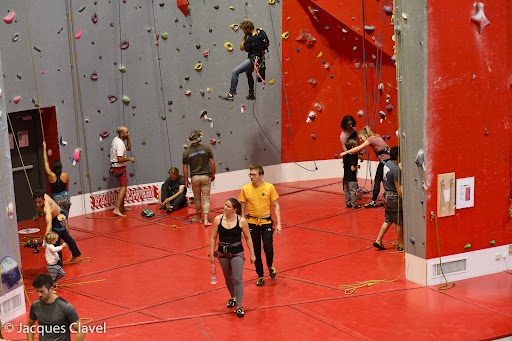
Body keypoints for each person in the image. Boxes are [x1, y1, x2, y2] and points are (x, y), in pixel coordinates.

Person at [209, 198, 256, 318]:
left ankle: (239, 306)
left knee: (237, 278)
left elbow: (248, 238)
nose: (225, 208)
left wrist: (252, 254)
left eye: (228, 206)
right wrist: (211, 252)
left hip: (237, 252)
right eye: (225, 205)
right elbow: (213, 237)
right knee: (227, 277)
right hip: (222, 252)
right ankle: (233, 297)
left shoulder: (241, 221)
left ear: (235, 210)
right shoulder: (217, 220)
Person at [239, 164, 281, 286]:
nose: (251, 177)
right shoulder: (245, 189)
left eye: (254, 175)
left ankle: (270, 265)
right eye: (250, 174)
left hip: (266, 222)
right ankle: (260, 275)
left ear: (261, 176)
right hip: (252, 223)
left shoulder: (269, 187)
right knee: (255, 251)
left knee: (268, 248)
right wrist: (242, 225)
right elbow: (242, 207)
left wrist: (279, 223)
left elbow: (276, 205)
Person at [340, 126, 390, 208]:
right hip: (388, 159)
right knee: (384, 180)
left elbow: (359, 148)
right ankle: (387, 198)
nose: (360, 140)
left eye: (361, 138)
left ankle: (374, 200)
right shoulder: (376, 137)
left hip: (385, 160)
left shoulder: (370, 139)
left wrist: (346, 152)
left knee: (377, 180)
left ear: (366, 135)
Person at [219, 20, 269, 101]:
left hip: (253, 59)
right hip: (260, 58)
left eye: (243, 30)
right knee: (248, 73)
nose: (243, 32)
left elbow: (241, 47)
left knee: (235, 72)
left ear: (247, 29)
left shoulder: (251, 38)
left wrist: (245, 37)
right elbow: (267, 44)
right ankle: (251, 93)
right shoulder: (261, 31)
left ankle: (231, 94)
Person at [27, 274, 85, 341]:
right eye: (37, 291)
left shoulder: (66, 307)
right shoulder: (35, 305)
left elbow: (81, 331)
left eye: (42, 291)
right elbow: (29, 325)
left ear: (51, 289)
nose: (39, 294)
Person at [33, 189, 81, 265]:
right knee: (65, 235)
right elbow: (40, 207)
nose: (38, 204)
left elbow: (49, 223)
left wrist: (45, 238)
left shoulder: (47, 208)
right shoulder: (42, 195)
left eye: (39, 202)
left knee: (55, 240)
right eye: (35, 202)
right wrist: (38, 214)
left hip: (58, 216)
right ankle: (76, 253)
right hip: (57, 215)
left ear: (44, 199)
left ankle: (59, 266)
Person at [373, 146, 404, 251]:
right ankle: (401, 245)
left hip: (386, 195)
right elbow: (398, 187)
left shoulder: (387, 165)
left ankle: (378, 240)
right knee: (399, 221)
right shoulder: (396, 169)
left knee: (389, 219)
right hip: (394, 197)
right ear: (398, 157)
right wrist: (403, 199)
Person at [183, 130, 216, 226]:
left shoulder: (186, 152)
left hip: (194, 178)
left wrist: (186, 180)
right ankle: (206, 220)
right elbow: (212, 162)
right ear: (199, 138)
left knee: (197, 199)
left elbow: (185, 167)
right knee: (206, 199)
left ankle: (199, 217)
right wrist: (213, 174)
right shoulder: (206, 148)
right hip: (206, 176)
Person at [110, 126, 135, 217]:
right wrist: (130, 159)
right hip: (119, 167)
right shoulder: (119, 144)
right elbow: (120, 158)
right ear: (121, 134)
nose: (128, 134)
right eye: (126, 133)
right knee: (123, 187)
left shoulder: (116, 139)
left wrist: (128, 139)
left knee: (123, 187)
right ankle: (117, 209)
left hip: (116, 167)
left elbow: (128, 148)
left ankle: (122, 207)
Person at [42, 142, 71, 218]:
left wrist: (44, 148)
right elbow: (67, 188)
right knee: (65, 218)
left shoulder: (51, 175)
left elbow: (46, 162)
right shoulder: (65, 175)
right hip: (65, 197)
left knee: (57, 219)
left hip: (55, 199)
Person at [343, 139, 360, 209]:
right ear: (353, 147)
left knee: (346, 191)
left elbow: (343, 165)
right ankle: (354, 205)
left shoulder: (345, 154)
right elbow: (352, 168)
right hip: (352, 177)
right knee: (353, 191)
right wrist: (357, 167)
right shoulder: (354, 156)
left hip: (345, 176)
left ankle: (347, 203)